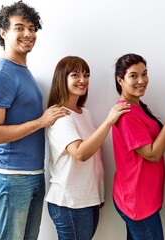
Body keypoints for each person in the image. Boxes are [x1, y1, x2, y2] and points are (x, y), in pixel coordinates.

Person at [0, 1, 70, 239]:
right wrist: (41, 122)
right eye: (19, 27)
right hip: (10, 177)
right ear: (3, 32)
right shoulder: (0, 75)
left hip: (31, 174)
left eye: (32, 28)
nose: (28, 34)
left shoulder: (23, 71)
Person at [45, 56, 130, 239]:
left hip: (87, 200)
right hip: (70, 203)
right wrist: (108, 121)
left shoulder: (85, 113)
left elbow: (94, 155)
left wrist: (96, 194)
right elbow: (81, 153)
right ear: (62, 78)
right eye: (75, 75)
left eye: (86, 75)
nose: (83, 80)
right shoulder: (60, 116)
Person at [111, 53, 165, 240]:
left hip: (141, 197)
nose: (142, 80)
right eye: (134, 75)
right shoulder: (127, 114)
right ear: (120, 80)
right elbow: (152, 153)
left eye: (144, 74)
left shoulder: (137, 106)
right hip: (136, 202)